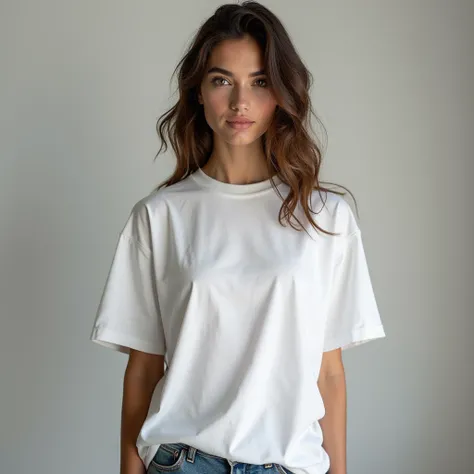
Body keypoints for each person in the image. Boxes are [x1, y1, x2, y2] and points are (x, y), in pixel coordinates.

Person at [89, 2, 386, 474]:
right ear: (199, 93)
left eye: (260, 81)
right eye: (222, 80)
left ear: (282, 94)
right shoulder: (160, 217)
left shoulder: (326, 218)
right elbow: (143, 369)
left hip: (289, 464)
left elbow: (329, 371)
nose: (240, 102)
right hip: (183, 462)